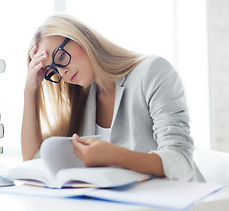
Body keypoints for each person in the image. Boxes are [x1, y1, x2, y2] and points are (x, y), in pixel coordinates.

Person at [21, 13, 204, 181]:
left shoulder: (152, 71)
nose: (63, 72)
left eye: (61, 57)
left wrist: (115, 155)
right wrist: (30, 91)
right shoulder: (83, 98)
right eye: (53, 71)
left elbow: (181, 161)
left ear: (82, 38)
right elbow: (31, 161)